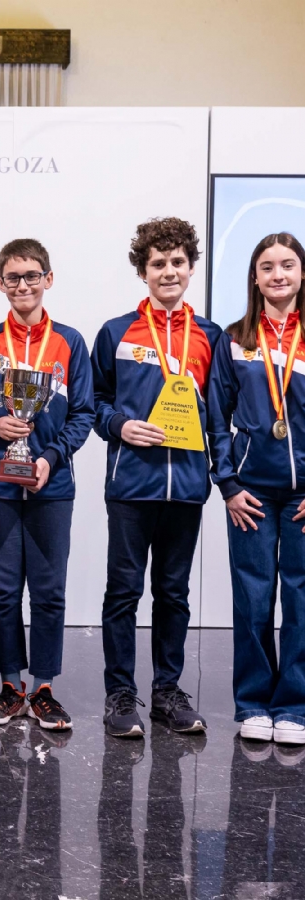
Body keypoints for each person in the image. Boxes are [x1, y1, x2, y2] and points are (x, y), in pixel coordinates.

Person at [91, 217, 222, 738]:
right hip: (131, 485)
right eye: (157, 263)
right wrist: (122, 425)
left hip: (187, 487)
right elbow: (94, 404)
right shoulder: (116, 332)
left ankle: (167, 690)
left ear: (190, 267)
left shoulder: (209, 336)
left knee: (173, 593)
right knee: (123, 592)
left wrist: (222, 476)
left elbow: (218, 413)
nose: (168, 271)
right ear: (142, 271)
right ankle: (120, 694)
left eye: (177, 262)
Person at [0, 238, 94, 731]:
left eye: (32, 275)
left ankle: (44, 687)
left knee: (49, 590)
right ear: (0, 284)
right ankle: (10, 685)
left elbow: (84, 413)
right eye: (13, 277)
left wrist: (52, 458)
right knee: (3, 588)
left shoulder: (71, 342)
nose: (23, 285)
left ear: (48, 280)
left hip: (51, 485)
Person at [208, 232, 305, 745]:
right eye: (267, 267)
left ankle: (293, 706)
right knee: (252, 598)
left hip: (303, 495)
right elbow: (215, 417)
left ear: (302, 273)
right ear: (254, 277)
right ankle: (252, 703)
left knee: (301, 598)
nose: (278, 275)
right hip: (250, 493)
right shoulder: (235, 339)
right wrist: (226, 485)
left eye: (287, 265)